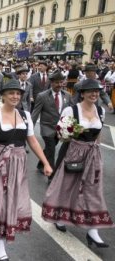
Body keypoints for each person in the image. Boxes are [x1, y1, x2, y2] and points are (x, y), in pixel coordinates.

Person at [0, 80, 52, 261]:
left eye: (18, 93)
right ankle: (0, 241)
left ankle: (0, 237)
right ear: (2, 95)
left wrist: (45, 162)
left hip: (18, 164)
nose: (15, 96)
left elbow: (33, 141)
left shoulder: (25, 115)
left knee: (11, 201)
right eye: (11, 93)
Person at [42, 79, 114, 246]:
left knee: (92, 189)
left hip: (93, 155)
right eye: (90, 91)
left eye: (97, 91)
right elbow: (60, 135)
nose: (95, 94)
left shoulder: (100, 111)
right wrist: (70, 132)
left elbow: (98, 134)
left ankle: (93, 230)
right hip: (74, 151)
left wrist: (96, 150)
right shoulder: (71, 110)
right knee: (68, 186)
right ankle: (60, 217)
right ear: (82, 93)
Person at [31, 70, 74, 182]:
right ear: (51, 83)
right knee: (51, 149)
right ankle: (52, 176)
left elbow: (73, 110)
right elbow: (35, 113)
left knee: (50, 148)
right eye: (57, 82)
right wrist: (29, 129)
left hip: (61, 129)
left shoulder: (67, 95)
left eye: (61, 82)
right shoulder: (42, 96)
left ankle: (40, 164)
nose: (60, 85)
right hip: (47, 128)